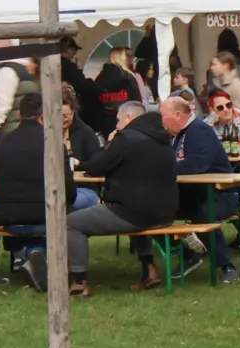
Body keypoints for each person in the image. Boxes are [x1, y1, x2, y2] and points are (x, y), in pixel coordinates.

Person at [66, 101, 178, 294]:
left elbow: (97, 166)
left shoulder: (126, 138)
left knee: (72, 223)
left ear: (128, 118)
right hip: (165, 213)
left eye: (118, 120)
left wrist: (110, 143)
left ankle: (79, 282)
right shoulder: (162, 138)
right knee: (133, 212)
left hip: (134, 212)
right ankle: (149, 270)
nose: (116, 125)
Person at [0, 95, 76, 294]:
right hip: (47, 216)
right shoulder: (53, 144)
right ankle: (38, 253)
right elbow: (69, 190)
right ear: (44, 116)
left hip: (9, 219)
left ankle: (30, 254)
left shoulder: (2, 144)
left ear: (19, 114)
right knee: (86, 200)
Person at [164, 95, 240, 282]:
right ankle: (187, 255)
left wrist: (162, 169)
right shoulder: (179, 135)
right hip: (193, 194)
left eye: (163, 115)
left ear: (177, 115)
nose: (161, 120)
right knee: (152, 212)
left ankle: (227, 266)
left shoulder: (200, 131)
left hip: (222, 194)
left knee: (204, 214)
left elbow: (197, 164)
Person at [0, 48, 38, 143]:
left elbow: (3, 104)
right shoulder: (25, 70)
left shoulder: (6, 71)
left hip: (10, 133)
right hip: (28, 130)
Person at [88, 46, 140, 135]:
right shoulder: (128, 77)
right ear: (122, 58)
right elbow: (137, 101)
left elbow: (94, 102)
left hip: (105, 123)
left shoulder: (100, 78)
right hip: (127, 122)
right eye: (126, 56)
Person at [207, 51, 240, 117]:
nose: (212, 68)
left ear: (226, 66)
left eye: (215, 64)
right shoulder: (220, 84)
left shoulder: (236, 84)